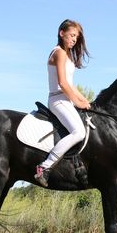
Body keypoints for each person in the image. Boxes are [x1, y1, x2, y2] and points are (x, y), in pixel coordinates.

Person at [34, 19, 91, 187]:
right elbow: (63, 83)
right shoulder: (58, 53)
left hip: (66, 99)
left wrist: (83, 100)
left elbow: (71, 84)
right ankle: (44, 167)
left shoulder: (67, 55)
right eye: (72, 35)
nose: (74, 39)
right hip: (58, 99)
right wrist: (77, 103)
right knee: (78, 132)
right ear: (61, 33)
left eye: (76, 37)